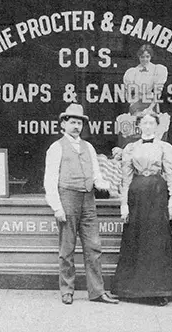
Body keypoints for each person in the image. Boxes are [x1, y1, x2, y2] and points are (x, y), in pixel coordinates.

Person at [44, 103, 119, 306]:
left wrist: (106, 185)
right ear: (63, 124)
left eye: (79, 123)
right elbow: (50, 180)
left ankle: (97, 291)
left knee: (93, 246)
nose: (76, 126)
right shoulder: (56, 147)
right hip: (67, 198)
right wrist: (57, 207)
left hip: (88, 200)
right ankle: (67, 290)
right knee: (67, 248)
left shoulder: (88, 147)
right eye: (73, 122)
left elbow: (96, 175)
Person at [112, 111, 172, 306]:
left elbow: (170, 175)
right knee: (136, 239)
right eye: (144, 123)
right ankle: (131, 290)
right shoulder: (130, 148)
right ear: (139, 126)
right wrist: (124, 204)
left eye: (151, 123)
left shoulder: (165, 147)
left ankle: (159, 290)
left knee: (157, 240)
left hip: (157, 194)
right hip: (136, 195)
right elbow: (126, 179)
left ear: (157, 126)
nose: (148, 126)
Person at [122, 44, 168, 115]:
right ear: (139, 57)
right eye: (142, 57)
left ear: (151, 56)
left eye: (147, 57)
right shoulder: (132, 72)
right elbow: (127, 93)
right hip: (136, 103)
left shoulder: (157, 69)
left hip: (151, 102)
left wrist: (149, 109)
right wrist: (132, 104)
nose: (145, 59)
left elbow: (158, 93)